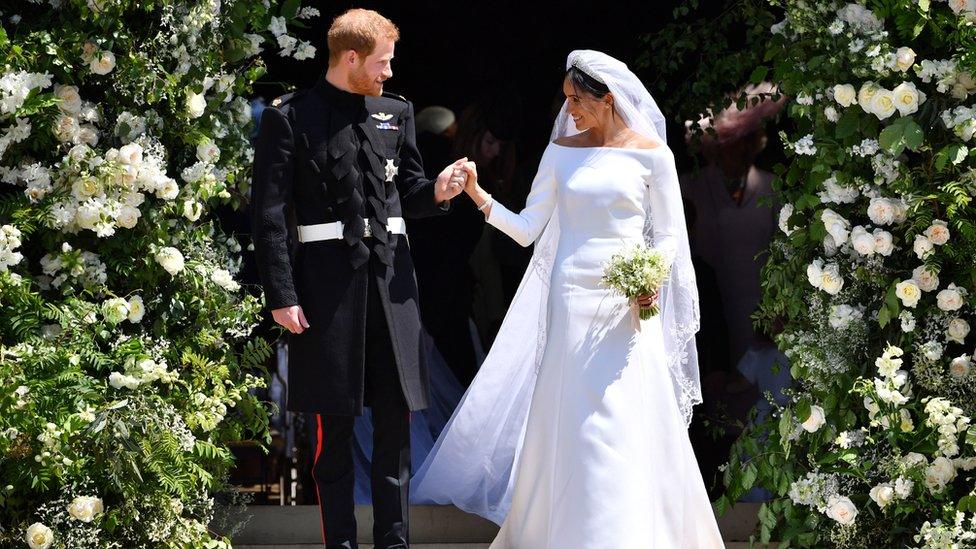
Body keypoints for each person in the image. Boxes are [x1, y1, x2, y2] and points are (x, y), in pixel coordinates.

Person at [412, 50, 723, 548]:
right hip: (569, 300)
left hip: (624, 303)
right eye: (567, 100)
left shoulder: (652, 155)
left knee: (622, 414)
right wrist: (477, 194)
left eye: (577, 99)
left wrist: (650, 277)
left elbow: (668, 237)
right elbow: (527, 230)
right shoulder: (560, 150)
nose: (570, 109)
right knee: (571, 418)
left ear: (608, 98)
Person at [250, 9, 469, 549]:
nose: (389, 73)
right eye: (381, 63)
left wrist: (438, 191)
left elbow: (410, 193)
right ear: (350, 59)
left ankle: (394, 543)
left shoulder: (396, 112)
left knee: (396, 433)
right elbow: (269, 215)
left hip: (393, 294)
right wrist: (281, 295)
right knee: (335, 438)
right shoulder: (290, 118)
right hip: (327, 296)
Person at [680, 82, 784, 368]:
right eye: (726, 145)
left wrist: (780, 306)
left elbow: (783, 250)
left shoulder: (771, 186)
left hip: (763, 304)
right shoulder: (691, 187)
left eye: (741, 142)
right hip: (711, 305)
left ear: (752, 144)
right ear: (713, 148)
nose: (733, 152)